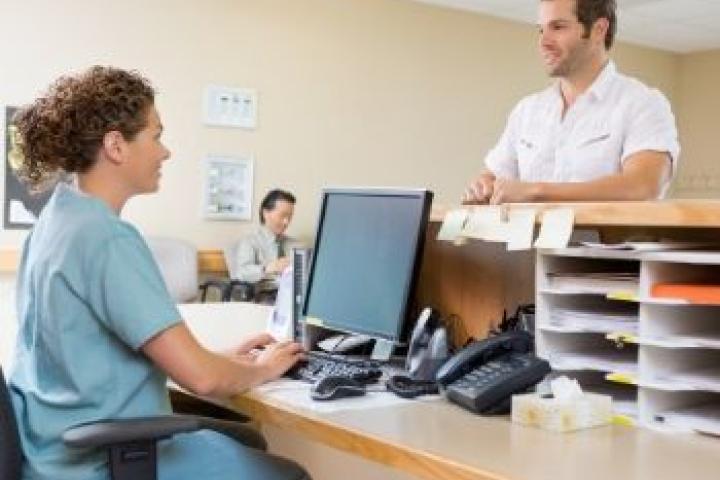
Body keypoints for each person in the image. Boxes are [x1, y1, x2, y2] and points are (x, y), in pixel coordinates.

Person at [8, 66, 307, 480]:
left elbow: (104, 358)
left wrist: (223, 360)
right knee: (287, 474)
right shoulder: (106, 238)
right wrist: (263, 369)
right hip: (101, 462)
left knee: (247, 443)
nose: (165, 152)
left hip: (50, 450)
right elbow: (200, 380)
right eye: (156, 135)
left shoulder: (56, 220)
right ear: (116, 145)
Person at [465, 0, 679, 204]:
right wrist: (484, 186)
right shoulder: (526, 111)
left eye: (557, 27)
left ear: (598, 30)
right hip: (529, 243)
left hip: (604, 242)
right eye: (541, 30)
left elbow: (642, 186)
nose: (543, 42)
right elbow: (494, 175)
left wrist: (537, 191)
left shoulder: (643, 103)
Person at [233, 189, 296, 284]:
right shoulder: (250, 242)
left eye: (289, 217)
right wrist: (267, 268)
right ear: (266, 213)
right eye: (282, 216)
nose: (286, 222)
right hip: (263, 295)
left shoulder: (294, 245)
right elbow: (241, 272)